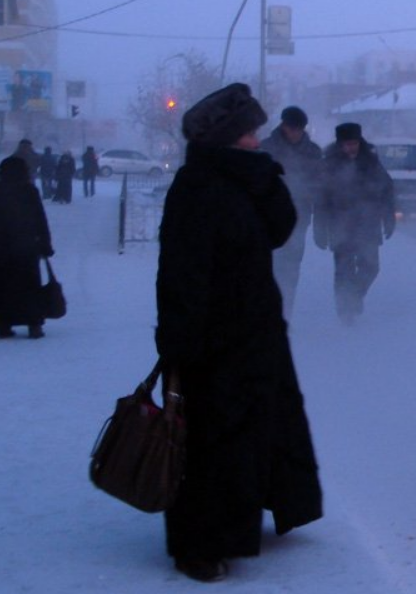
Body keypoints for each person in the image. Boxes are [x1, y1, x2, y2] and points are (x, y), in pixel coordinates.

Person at [155, 82, 322, 583]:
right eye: (249, 133)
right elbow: (180, 274)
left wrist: (266, 177)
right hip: (212, 340)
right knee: (212, 443)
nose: (257, 139)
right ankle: (199, 546)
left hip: (258, 331)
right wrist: (181, 347)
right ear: (228, 139)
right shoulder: (197, 186)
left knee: (261, 428)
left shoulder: (246, 178)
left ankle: (256, 511)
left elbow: (280, 230)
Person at [313, 122, 395, 324]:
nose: (352, 148)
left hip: (368, 224)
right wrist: (319, 229)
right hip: (340, 225)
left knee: (371, 267)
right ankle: (345, 311)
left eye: (355, 143)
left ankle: (354, 297)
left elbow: (386, 189)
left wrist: (389, 217)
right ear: (340, 144)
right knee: (343, 270)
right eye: (348, 144)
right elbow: (321, 199)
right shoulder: (329, 164)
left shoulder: (371, 161)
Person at [0, 156, 54, 339]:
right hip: (25, 247)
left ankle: (3, 324)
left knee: (1, 288)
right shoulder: (29, 191)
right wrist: (45, 243)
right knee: (29, 287)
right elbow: (40, 219)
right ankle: (34, 325)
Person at [259, 105, 323, 319]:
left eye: (299, 129)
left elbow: (319, 184)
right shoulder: (267, 148)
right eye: (291, 128)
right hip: (268, 216)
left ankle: (285, 312)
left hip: (299, 217)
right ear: (284, 126)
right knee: (269, 264)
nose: (295, 133)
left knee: (292, 265)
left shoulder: (313, 152)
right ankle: (268, 311)